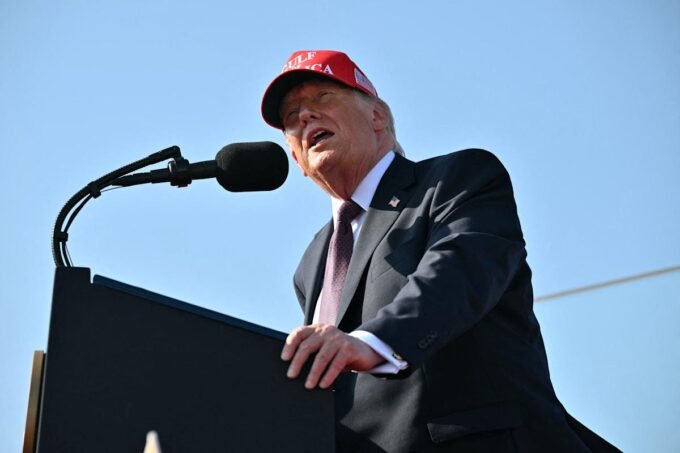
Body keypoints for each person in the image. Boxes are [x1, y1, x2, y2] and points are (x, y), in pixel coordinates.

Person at [261, 50, 618, 453]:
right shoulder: (312, 261)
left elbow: (457, 270)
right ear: (297, 158)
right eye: (292, 117)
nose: (305, 117)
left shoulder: (456, 180)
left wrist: (373, 340)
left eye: (322, 97)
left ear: (377, 116)